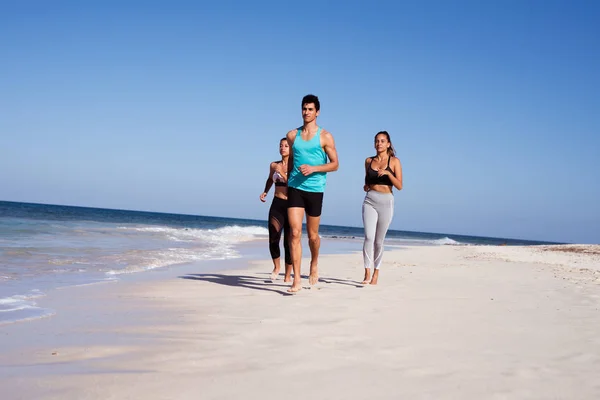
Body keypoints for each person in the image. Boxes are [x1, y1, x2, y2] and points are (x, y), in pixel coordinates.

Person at [286, 94, 339, 293]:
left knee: (313, 236)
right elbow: (292, 160)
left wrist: (314, 169)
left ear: (317, 112)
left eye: (310, 109)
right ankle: (296, 280)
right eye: (304, 108)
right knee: (294, 233)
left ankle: (314, 262)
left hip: (315, 189)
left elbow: (335, 164)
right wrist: (287, 177)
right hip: (295, 187)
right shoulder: (292, 135)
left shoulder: (325, 136)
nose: (306, 112)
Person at [361, 131, 403, 285]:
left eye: (382, 141)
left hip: (387, 201)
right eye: (377, 141)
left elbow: (399, 186)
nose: (379, 144)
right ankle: (366, 272)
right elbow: (366, 181)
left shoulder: (394, 161)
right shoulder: (368, 161)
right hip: (370, 200)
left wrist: (387, 174)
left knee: (379, 241)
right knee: (369, 237)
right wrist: (366, 186)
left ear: (388, 144)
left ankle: (376, 273)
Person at [260, 138, 292, 282]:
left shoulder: (295, 165)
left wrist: (283, 173)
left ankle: (287, 274)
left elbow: (295, 185)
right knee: (273, 237)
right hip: (277, 203)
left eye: (286, 146)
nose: (283, 148)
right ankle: (276, 267)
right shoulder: (274, 165)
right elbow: (270, 179)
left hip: (292, 205)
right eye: (281, 146)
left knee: (289, 242)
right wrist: (265, 191)